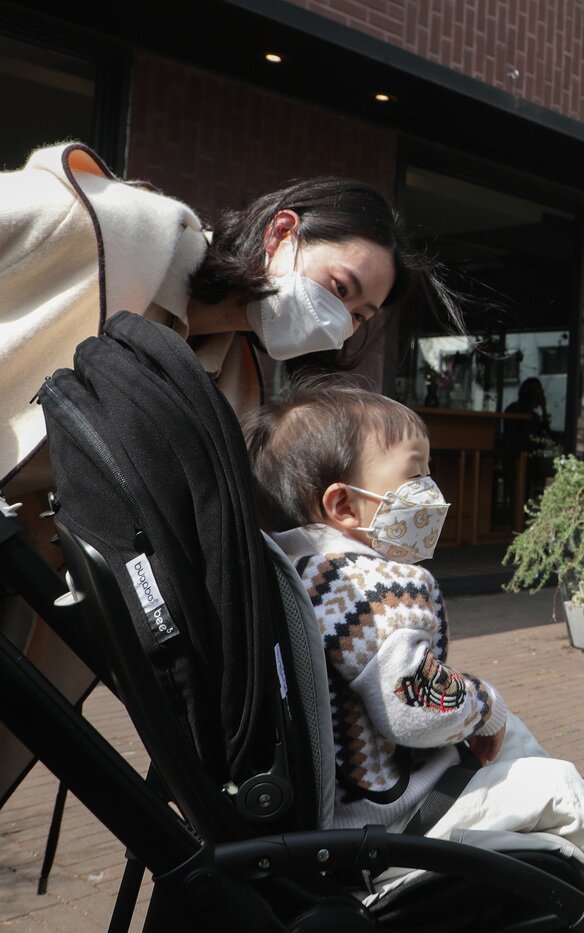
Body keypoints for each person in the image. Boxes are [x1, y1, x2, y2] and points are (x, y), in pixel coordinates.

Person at [0, 140, 436, 803]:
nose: (340, 323)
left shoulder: (236, 388)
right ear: (283, 231)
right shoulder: (100, 227)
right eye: (341, 289)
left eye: (357, 317)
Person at [244, 383, 584, 910]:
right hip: (395, 823)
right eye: (415, 475)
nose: (431, 491)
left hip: (354, 810)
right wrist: (484, 707)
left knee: (509, 735)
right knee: (553, 783)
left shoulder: (295, 574)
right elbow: (414, 702)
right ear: (344, 505)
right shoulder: (374, 586)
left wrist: (489, 718)